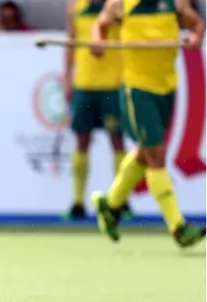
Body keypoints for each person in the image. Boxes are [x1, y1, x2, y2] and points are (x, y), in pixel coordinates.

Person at [90, 0, 205, 246]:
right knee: (156, 154)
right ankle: (178, 227)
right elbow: (100, 25)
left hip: (166, 88)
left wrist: (196, 37)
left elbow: (196, 24)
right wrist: (98, 41)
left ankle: (109, 204)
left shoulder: (175, 3)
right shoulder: (121, 4)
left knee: (145, 152)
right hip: (137, 89)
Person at [64, 0, 132, 220]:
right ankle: (77, 202)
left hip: (113, 83)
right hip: (84, 83)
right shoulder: (75, 6)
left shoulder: (118, 5)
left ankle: (121, 202)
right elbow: (71, 42)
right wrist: (67, 77)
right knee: (82, 141)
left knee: (118, 141)